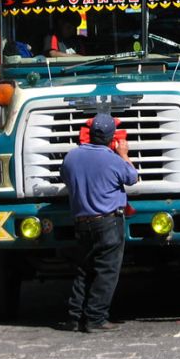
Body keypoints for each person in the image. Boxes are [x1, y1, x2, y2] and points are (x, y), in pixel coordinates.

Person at [59, 113, 138, 333]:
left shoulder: (71, 157)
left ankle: (74, 318)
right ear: (112, 136)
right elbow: (133, 177)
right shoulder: (113, 159)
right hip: (108, 223)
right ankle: (96, 318)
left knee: (84, 269)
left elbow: (64, 176)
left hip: (82, 223)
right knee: (106, 271)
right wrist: (123, 154)